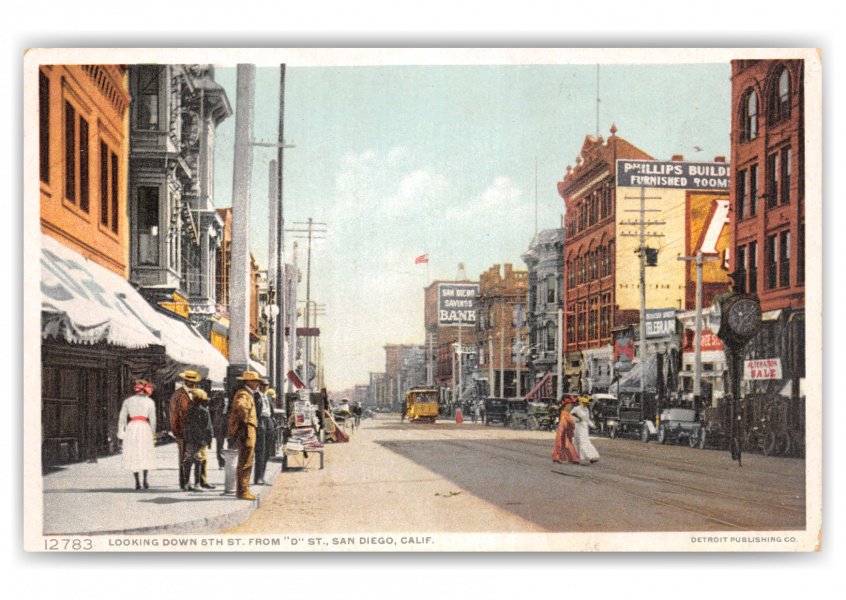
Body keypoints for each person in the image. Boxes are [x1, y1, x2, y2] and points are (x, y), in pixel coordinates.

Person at [117, 380, 157, 490]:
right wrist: (153, 433)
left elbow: (122, 417)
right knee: (145, 453)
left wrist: (122, 431)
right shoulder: (149, 402)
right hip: (144, 428)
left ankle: (137, 482)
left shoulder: (128, 401)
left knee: (134, 453)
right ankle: (145, 480)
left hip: (132, 428)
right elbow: (153, 419)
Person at [228, 371, 260, 500]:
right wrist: (245, 423)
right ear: (249, 382)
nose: (257, 383)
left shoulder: (247, 393)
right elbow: (241, 408)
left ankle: (243, 490)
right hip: (247, 429)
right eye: (255, 381)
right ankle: (243, 491)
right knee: (245, 461)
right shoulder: (243, 393)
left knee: (246, 460)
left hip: (248, 428)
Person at [182, 389, 215, 491]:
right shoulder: (204, 411)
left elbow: (186, 426)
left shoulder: (189, 411)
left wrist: (186, 439)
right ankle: (198, 484)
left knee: (190, 460)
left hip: (191, 440)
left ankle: (188, 483)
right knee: (199, 460)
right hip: (201, 441)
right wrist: (209, 441)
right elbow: (208, 427)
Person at [253, 379, 276, 486]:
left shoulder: (269, 397)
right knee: (260, 450)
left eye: (267, 385)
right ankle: (258, 477)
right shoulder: (255, 396)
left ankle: (262, 476)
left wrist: (272, 421)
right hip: (260, 420)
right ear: (259, 385)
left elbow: (271, 411)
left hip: (268, 421)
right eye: (263, 385)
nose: (265, 387)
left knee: (267, 451)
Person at [572, 395, 600, 465]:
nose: (585, 405)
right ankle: (582, 458)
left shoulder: (586, 410)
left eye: (586, 403)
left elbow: (587, 420)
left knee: (586, 441)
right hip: (578, 427)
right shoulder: (576, 409)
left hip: (584, 428)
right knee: (580, 442)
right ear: (581, 402)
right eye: (584, 403)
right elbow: (571, 416)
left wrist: (592, 425)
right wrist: (578, 419)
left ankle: (593, 456)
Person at [552, 396, 579, 464]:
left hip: (565, 430)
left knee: (566, 444)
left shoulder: (566, 412)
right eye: (569, 405)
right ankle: (559, 457)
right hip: (563, 430)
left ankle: (571, 458)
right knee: (562, 444)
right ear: (566, 406)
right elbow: (565, 423)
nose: (570, 407)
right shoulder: (565, 413)